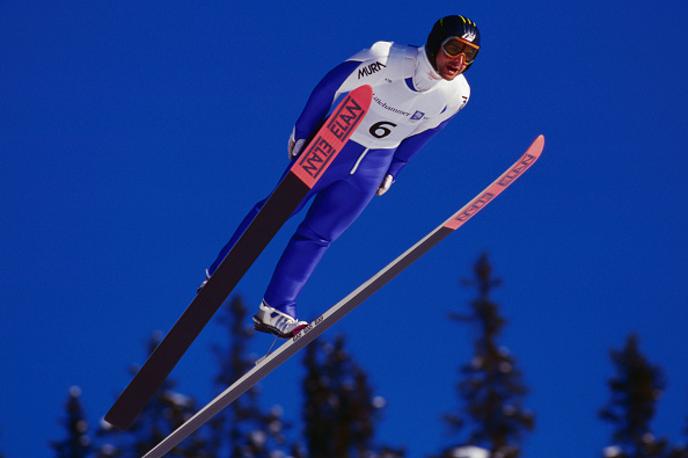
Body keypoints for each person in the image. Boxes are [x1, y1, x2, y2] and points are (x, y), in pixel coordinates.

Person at [204, 15, 481, 338]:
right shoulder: (387, 58)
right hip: (335, 142)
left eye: (469, 54)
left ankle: (276, 308)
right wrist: (304, 129)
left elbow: (427, 133)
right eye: (453, 48)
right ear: (435, 42)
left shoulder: (457, 95)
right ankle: (220, 273)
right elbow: (331, 85)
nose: (459, 60)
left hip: (374, 163)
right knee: (277, 211)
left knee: (320, 235)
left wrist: (394, 169)